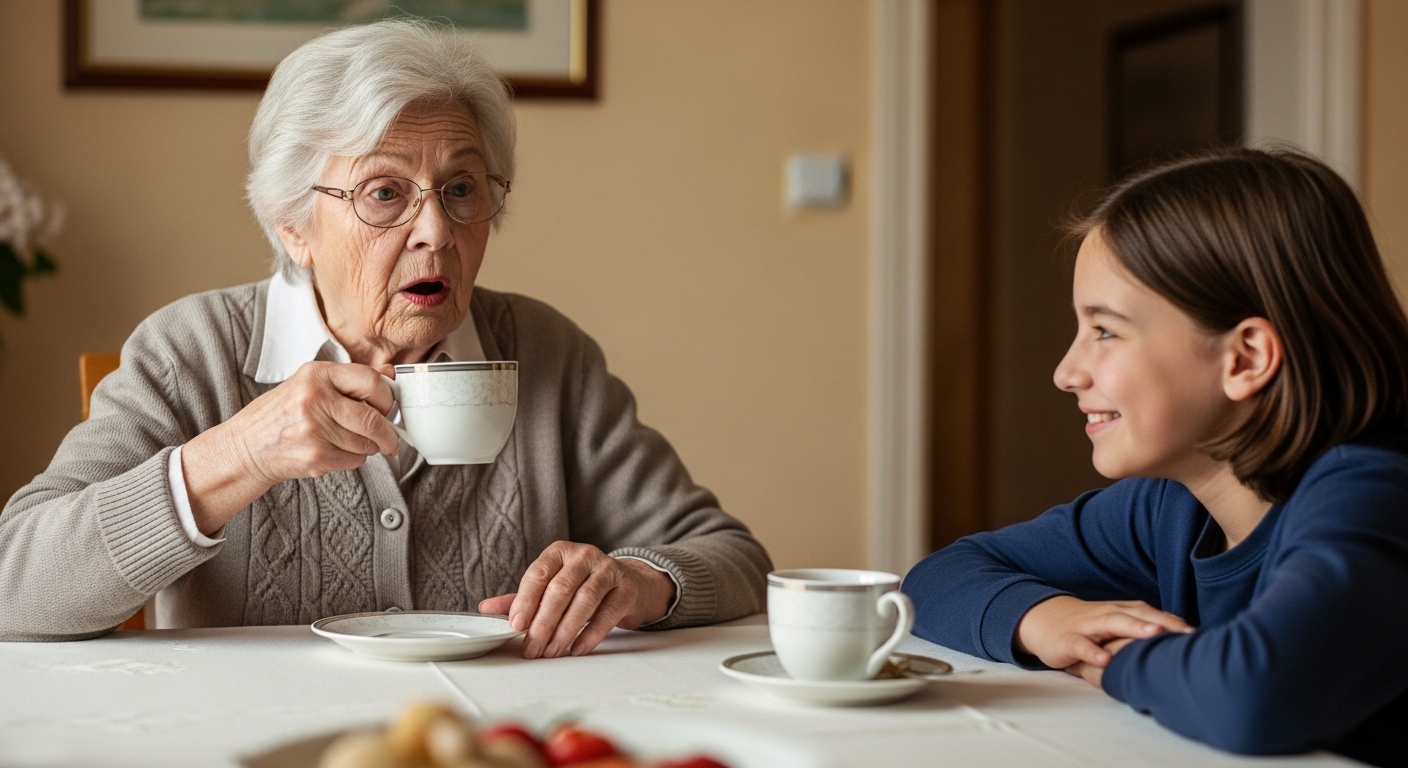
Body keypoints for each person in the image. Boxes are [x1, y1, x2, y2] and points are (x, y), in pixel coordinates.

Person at [0, 20, 771, 656]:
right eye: (384, 193)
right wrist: (239, 453)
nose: (435, 231)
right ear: (294, 226)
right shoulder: (190, 352)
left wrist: (636, 581)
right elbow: (17, 583)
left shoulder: (545, 352)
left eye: (462, 189)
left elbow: (730, 556)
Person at [902, 148, 1408, 766]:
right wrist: (1046, 618)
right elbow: (938, 578)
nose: (1066, 372)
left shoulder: (1379, 492)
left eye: (1105, 331)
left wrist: (1106, 655)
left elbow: (1252, 695)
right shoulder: (1172, 504)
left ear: (1245, 358)